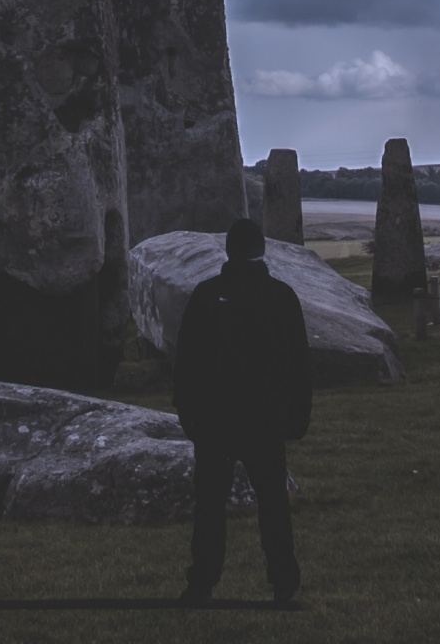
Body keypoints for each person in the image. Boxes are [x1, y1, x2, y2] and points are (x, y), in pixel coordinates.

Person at [170, 216, 312, 607]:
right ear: (262, 251)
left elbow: (187, 360)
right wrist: (297, 416)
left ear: (229, 251)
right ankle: (283, 580)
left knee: (210, 506)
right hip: (265, 416)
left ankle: (201, 584)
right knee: (273, 503)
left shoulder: (207, 294)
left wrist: (187, 411)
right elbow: (299, 362)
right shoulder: (281, 296)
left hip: (216, 417)